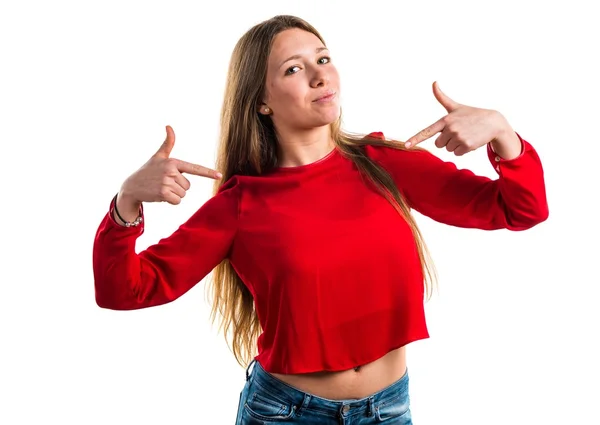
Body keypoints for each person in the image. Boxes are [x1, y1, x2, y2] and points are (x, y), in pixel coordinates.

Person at [92, 14, 548, 424]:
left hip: (389, 409)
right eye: (294, 68)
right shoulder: (241, 204)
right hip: (285, 415)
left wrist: (503, 134)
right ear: (261, 103)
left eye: (323, 58)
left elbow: (520, 209)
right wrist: (127, 202)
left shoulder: (382, 162)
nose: (318, 75)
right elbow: (125, 291)